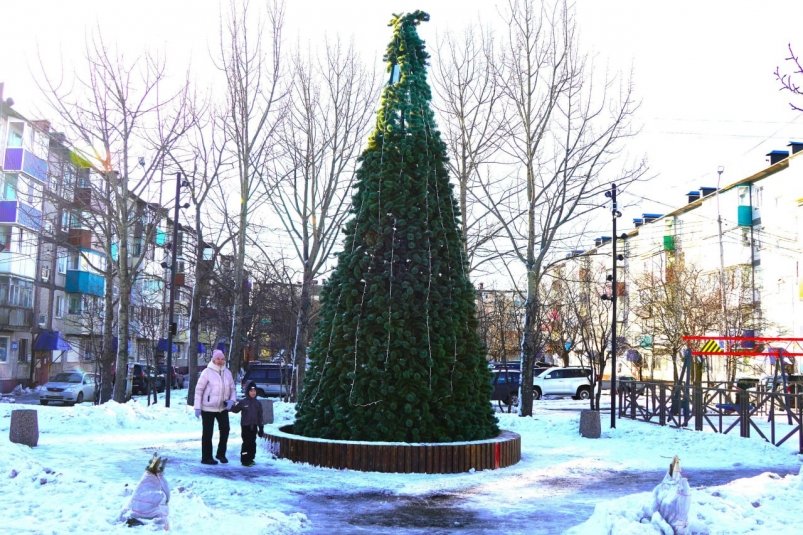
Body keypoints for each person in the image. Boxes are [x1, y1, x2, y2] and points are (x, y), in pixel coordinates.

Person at [194, 349, 236, 465]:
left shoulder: (227, 373)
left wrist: (231, 401)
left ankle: (221, 454)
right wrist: (197, 407)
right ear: (213, 359)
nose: (220, 361)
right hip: (207, 408)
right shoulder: (207, 372)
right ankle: (206, 457)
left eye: (222, 359)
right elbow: (199, 390)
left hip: (222, 408)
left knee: (225, 430)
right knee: (208, 433)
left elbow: (233, 389)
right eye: (218, 358)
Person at [120, 453, 170, 530]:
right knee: (161, 498)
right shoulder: (158, 478)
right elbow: (165, 488)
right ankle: (159, 465)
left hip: (136, 509)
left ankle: (155, 463)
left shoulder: (145, 477)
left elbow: (136, 493)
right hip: (148, 512)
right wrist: (167, 499)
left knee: (147, 485)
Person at [231, 381, 265, 466]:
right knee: (246, 443)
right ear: (247, 392)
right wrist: (229, 406)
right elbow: (235, 409)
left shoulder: (258, 403)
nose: (253, 393)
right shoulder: (243, 402)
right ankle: (244, 460)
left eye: (254, 391)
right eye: (251, 391)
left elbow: (260, 416)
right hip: (245, 426)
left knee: (252, 443)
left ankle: (251, 458)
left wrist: (261, 428)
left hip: (254, 426)